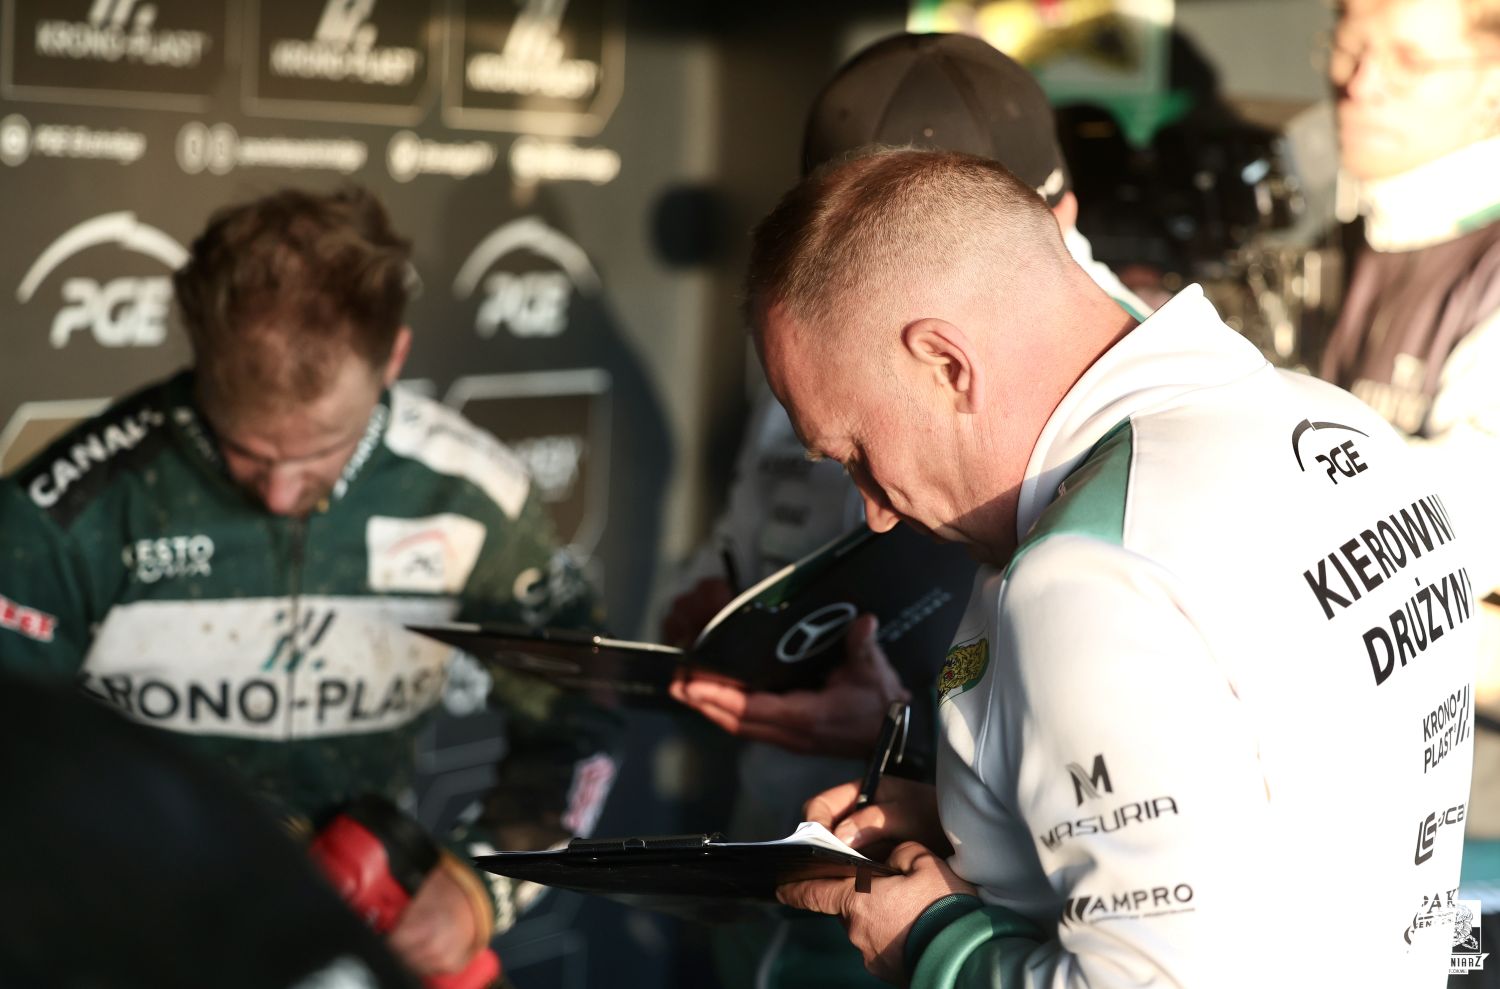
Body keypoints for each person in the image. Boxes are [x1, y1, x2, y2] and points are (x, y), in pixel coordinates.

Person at [753, 149, 1476, 987]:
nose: (874, 509)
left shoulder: (1084, 574)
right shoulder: (1338, 424)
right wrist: (987, 818)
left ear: (948, 364)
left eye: (854, 450)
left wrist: (933, 941)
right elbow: (1286, 806)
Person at [0, 187, 618, 979]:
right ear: (200, 354)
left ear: (393, 358)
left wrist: (476, 889)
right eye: (248, 450)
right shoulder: (67, 507)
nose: (280, 492)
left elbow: (583, 709)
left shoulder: (470, 494)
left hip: (353, 936)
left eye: (323, 446)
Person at [662, 34, 1154, 988]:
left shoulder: (1150, 436)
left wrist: (908, 738)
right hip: (797, 869)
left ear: (1038, 227)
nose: (878, 507)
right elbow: (748, 527)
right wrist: (723, 617)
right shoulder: (815, 337)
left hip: (962, 922)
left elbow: (1152, 916)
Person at [1319, 1, 1500, 976]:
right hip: (1352, 806)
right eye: (1348, 44)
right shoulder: (1354, 234)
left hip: (1474, 832)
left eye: (1409, 60)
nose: (1361, 82)